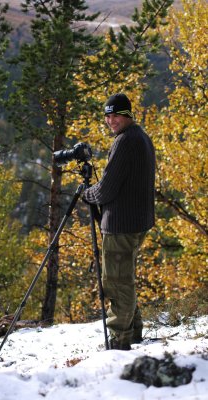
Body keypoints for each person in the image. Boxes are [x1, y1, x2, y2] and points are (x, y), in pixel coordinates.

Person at [83, 93, 155, 350]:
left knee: (116, 282)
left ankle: (120, 339)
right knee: (125, 278)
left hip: (122, 224)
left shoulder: (125, 141)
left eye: (116, 115)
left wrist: (87, 193)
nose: (111, 120)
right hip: (136, 221)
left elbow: (106, 189)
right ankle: (133, 332)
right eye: (108, 116)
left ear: (128, 115)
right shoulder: (141, 137)